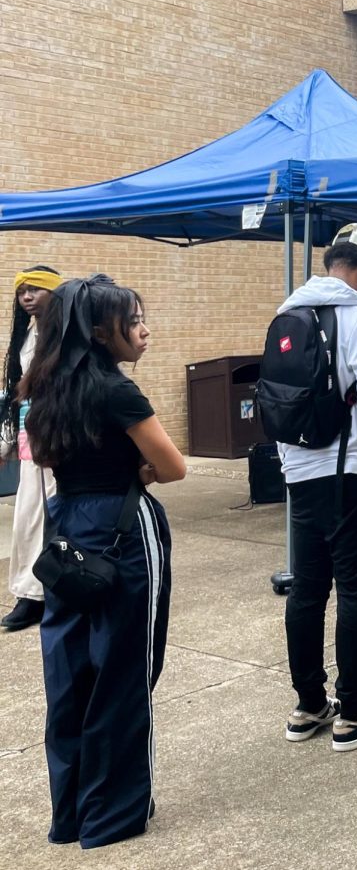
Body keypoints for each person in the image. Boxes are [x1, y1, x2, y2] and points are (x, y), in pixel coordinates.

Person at [23, 274, 185, 849]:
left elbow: (42, 456)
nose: (143, 330)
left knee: (69, 675)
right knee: (124, 673)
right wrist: (134, 473)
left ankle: (69, 816)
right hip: (122, 532)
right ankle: (113, 816)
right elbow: (173, 468)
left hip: (66, 529)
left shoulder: (44, 385)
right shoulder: (118, 391)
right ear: (99, 331)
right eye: (133, 320)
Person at [279, 223, 357, 751]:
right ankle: (354, 712)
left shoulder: (289, 312)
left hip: (301, 472)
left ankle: (309, 706)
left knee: (307, 592)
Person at [2, 265, 63, 631]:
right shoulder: (24, 338)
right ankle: (30, 593)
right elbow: (16, 394)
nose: (26, 297)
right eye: (21, 291)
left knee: (59, 516)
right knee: (28, 517)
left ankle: (55, 590)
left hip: (64, 437)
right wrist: (7, 441)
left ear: (54, 293)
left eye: (35, 289)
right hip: (33, 437)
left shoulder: (70, 334)